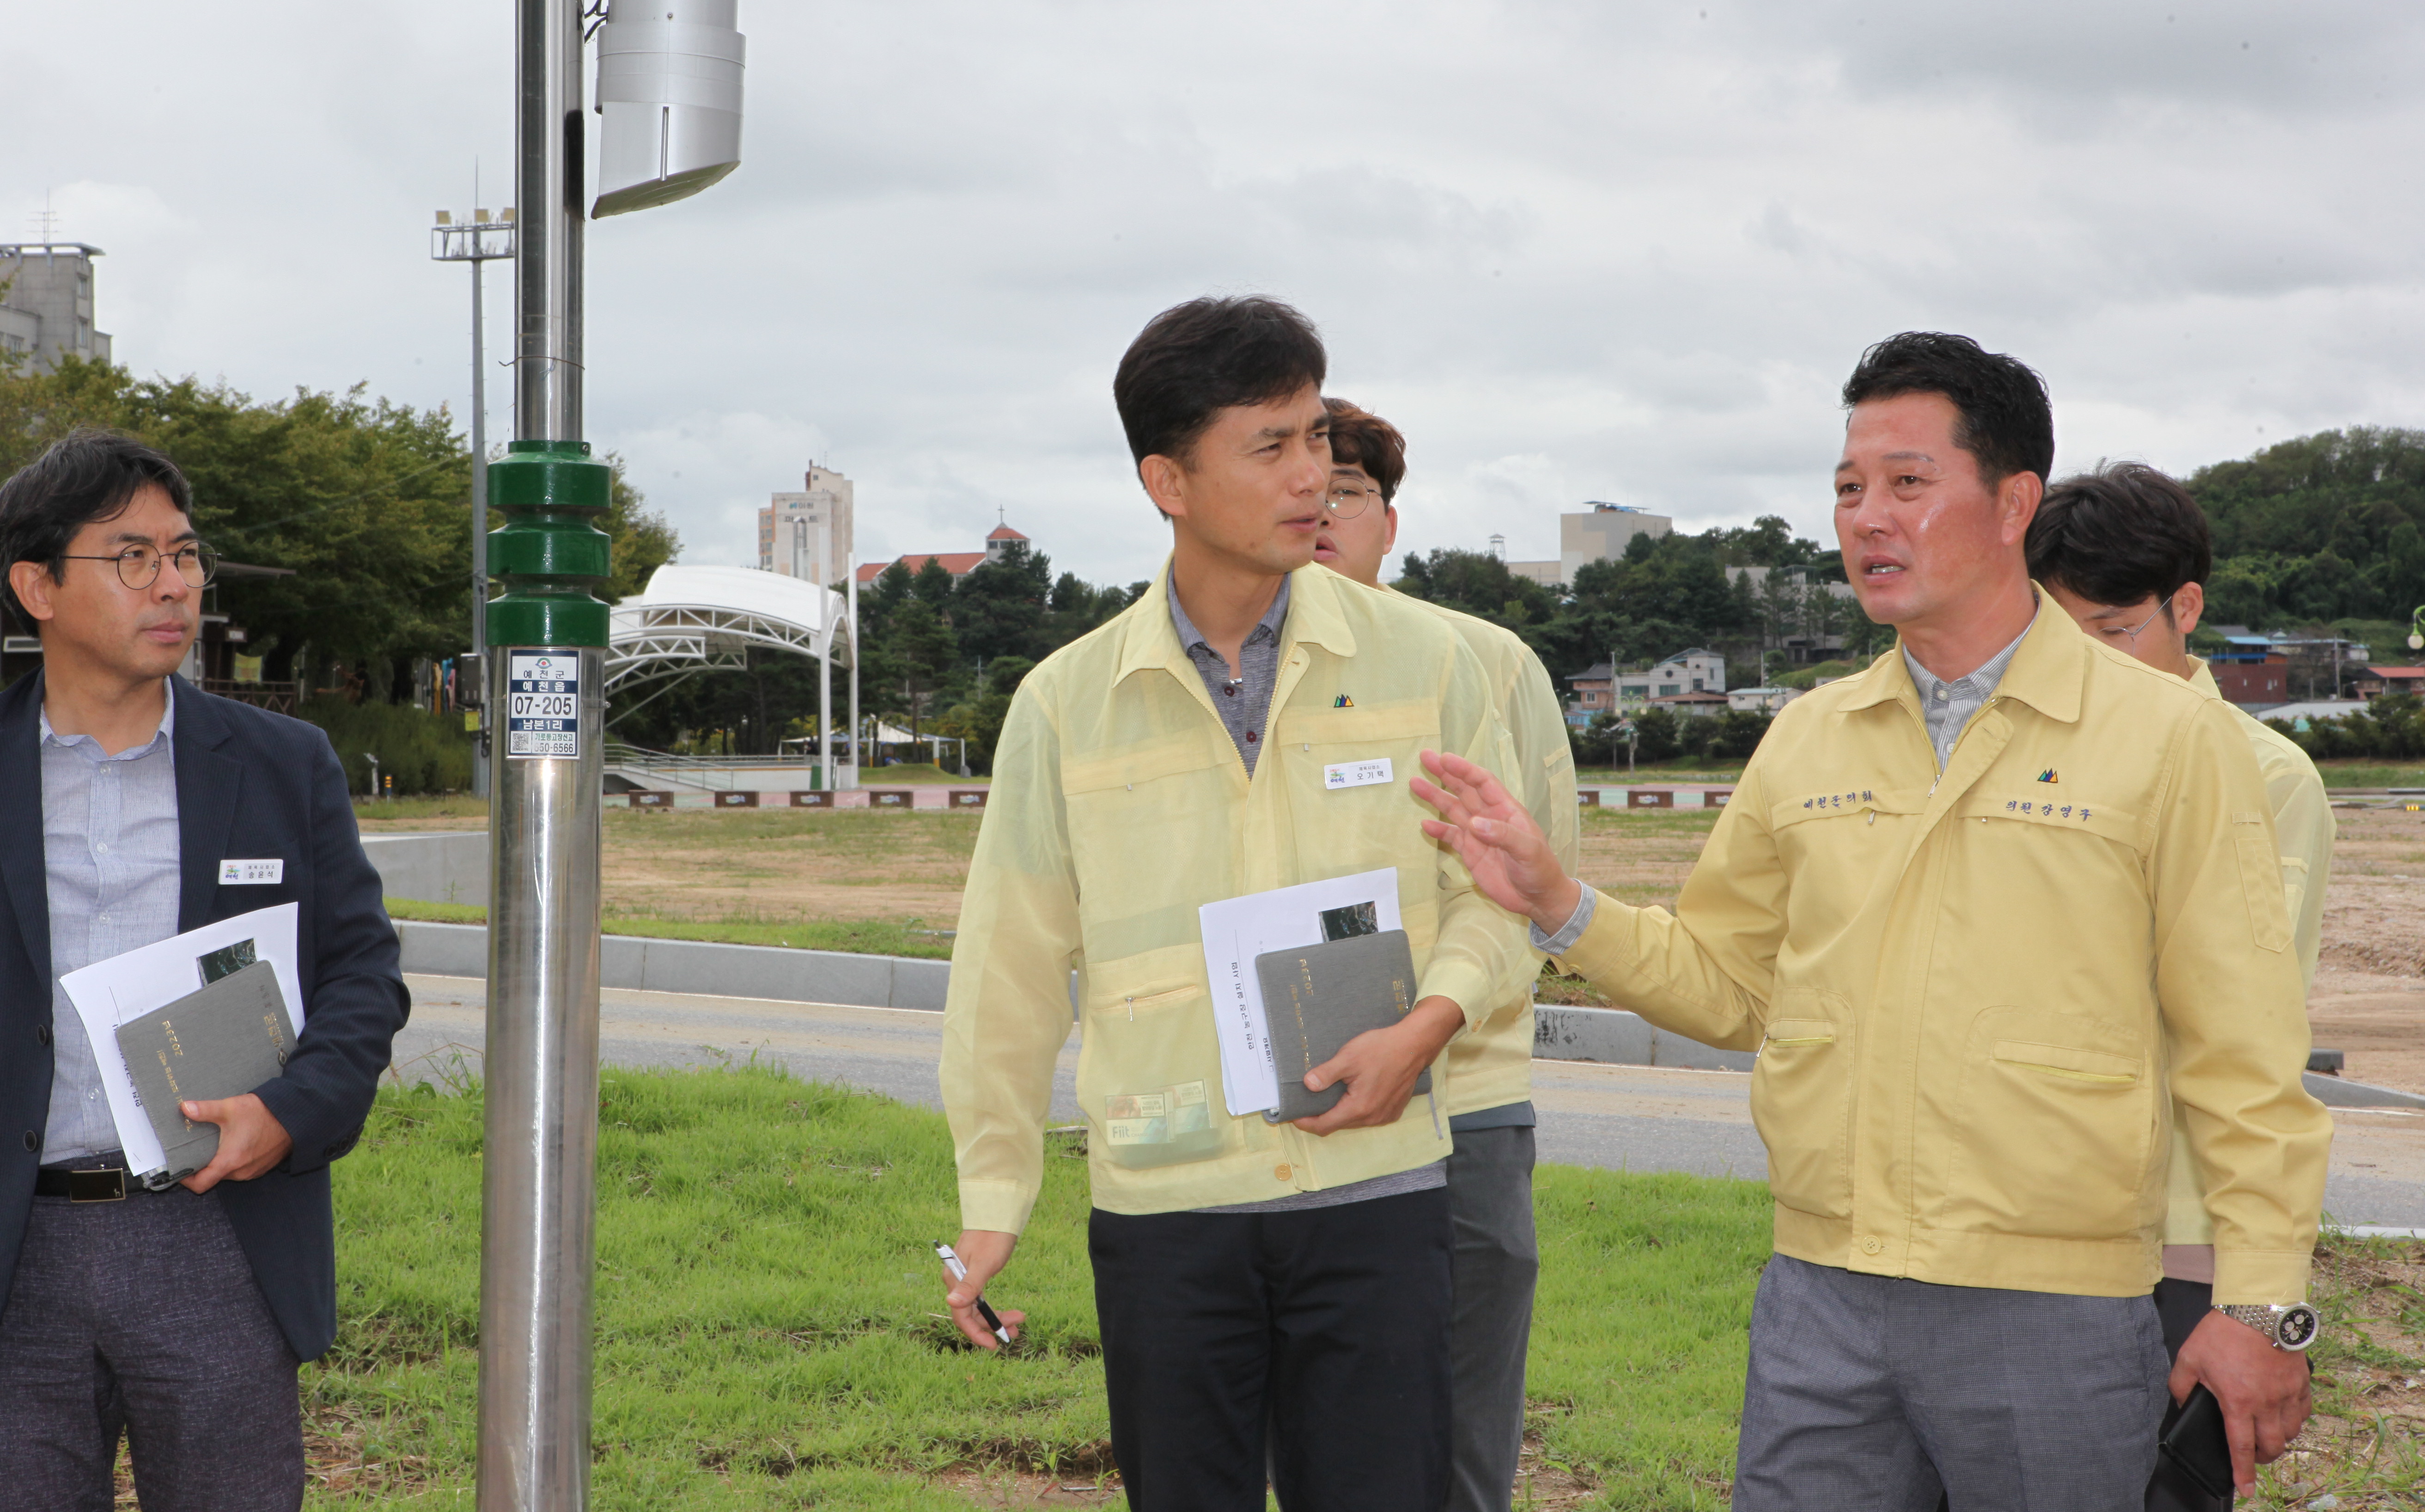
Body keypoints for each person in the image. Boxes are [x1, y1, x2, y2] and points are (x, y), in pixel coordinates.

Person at [1410, 332, 2332, 1511]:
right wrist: (1559, 903)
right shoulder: (1811, 735)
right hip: (1823, 1301)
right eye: (1847, 490)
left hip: (2052, 1310)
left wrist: (2260, 1305)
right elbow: (1731, 986)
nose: (1866, 518)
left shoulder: (2170, 737)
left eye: (1907, 482)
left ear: (2013, 503)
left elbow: (2245, 1057)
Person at [936, 296, 1533, 1511]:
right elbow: (1008, 966)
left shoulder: (1433, 666)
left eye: (1317, 437)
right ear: (1168, 478)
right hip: (1169, 1209)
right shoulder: (1067, 704)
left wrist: (1429, 1025)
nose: (1314, 475)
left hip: (1378, 1190)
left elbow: (1498, 898)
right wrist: (994, 1202)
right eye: (1273, 446)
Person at [0, 430, 412, 1512]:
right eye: (132, 557)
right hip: (9, 1250)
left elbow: (364, 977)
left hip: (219, 1235)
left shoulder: (284, 765)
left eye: (186, 555)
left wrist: (290, 1112)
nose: (175, 585)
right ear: (36, 586)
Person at [2027, 459, 2337, 1512]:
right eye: (2061, 641)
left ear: (2186, 608)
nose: (2091, 670)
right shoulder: (2034, 758)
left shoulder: (2264, 776)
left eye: (2115, 635)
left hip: (2171, 1239)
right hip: (2023, 1228)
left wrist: (2249, 1302)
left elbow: (2233, 1033)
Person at [1316, 396, 1578, 1512]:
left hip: (1468, 1102)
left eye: (1350, 492)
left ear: (1390, 521)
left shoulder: (1489, 663)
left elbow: (1540, 878)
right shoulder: (1226, 675)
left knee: (1465, 1428)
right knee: (1315, 1425)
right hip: (1296, 1104)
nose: (1321, 510)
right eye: (1297, 482)